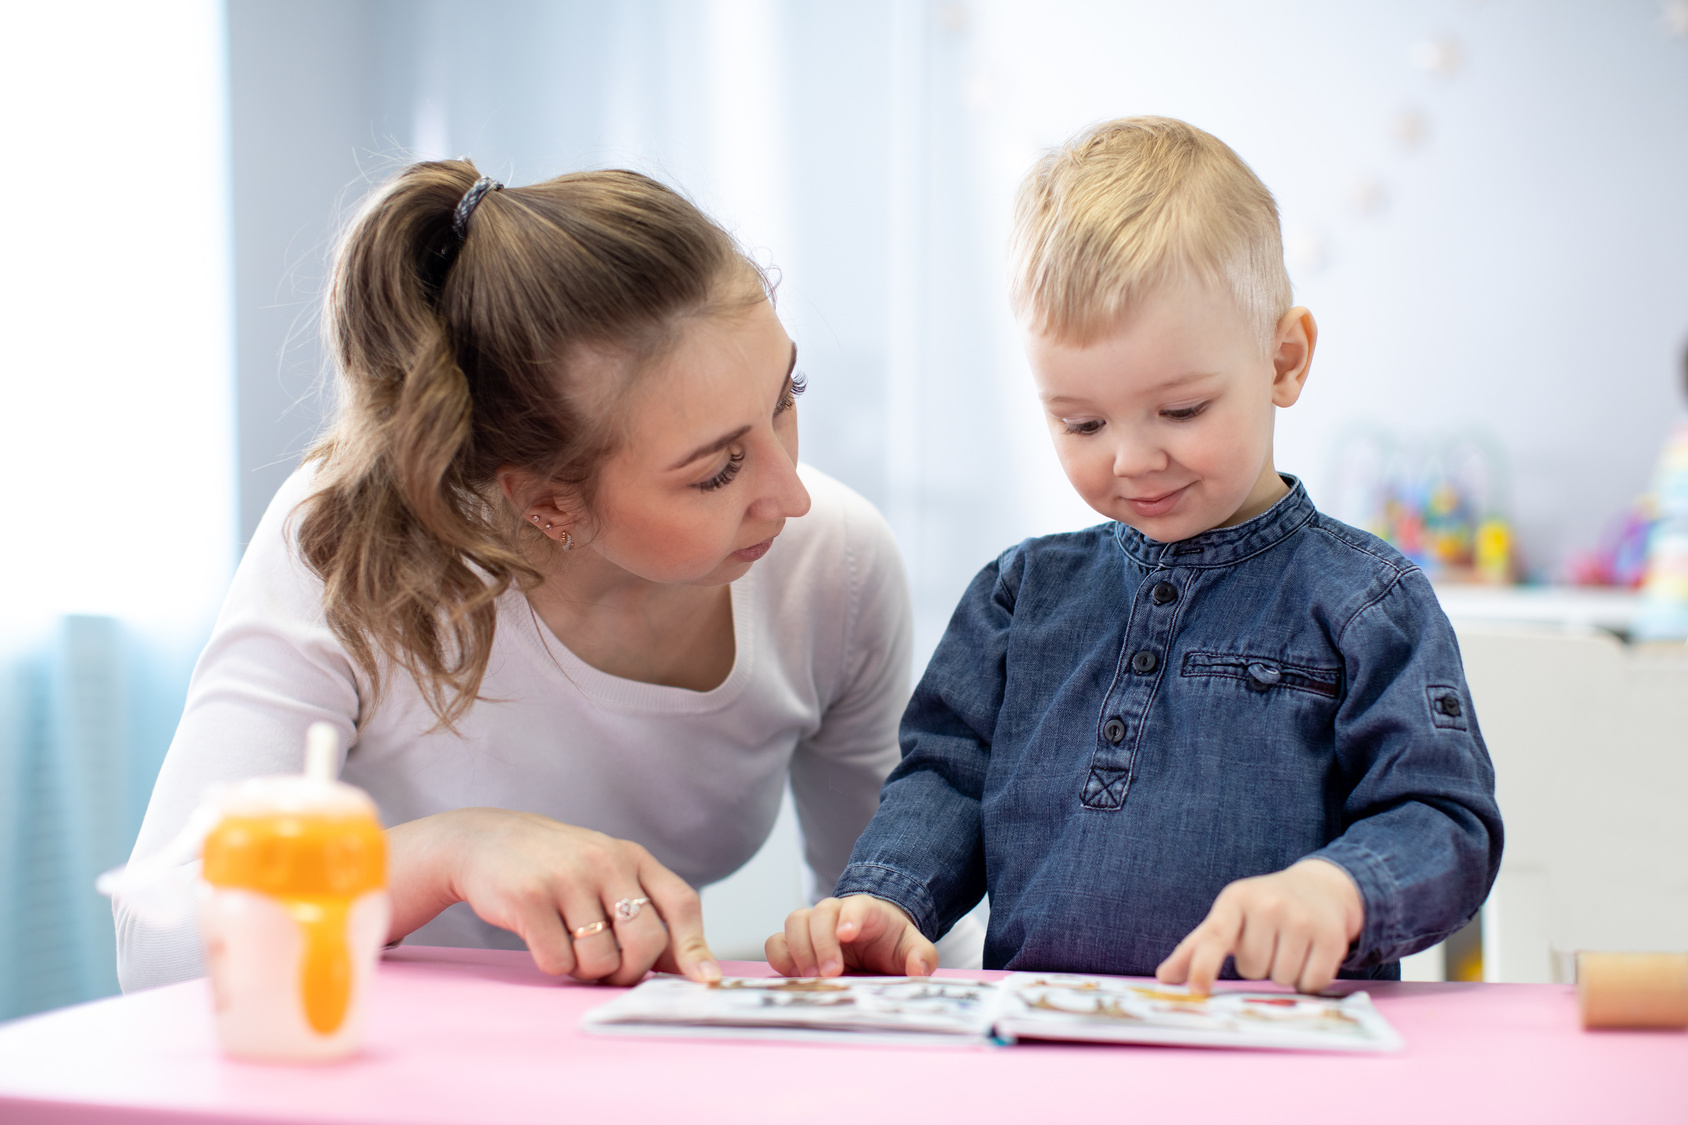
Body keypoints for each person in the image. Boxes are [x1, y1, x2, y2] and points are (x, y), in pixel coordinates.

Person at [117, 161, 914, 991]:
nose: (790, 492)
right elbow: (161, 944)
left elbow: (889, 922)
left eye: (788, 395)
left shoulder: (836, 563)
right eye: (718, 471)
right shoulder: (344, 539)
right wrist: (446, 852)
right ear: (548, 503)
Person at [768, 117, 1503, 994]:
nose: (1130, 458)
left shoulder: (1365, 601)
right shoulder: (1020, 596)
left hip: (1277, 1054)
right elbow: (948, 780)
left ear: (1284, 359)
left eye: (1182, 410)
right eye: (1081, 422)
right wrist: (888, 902)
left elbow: (1444, 817)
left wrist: (1341, 888)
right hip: (1041, 1041)